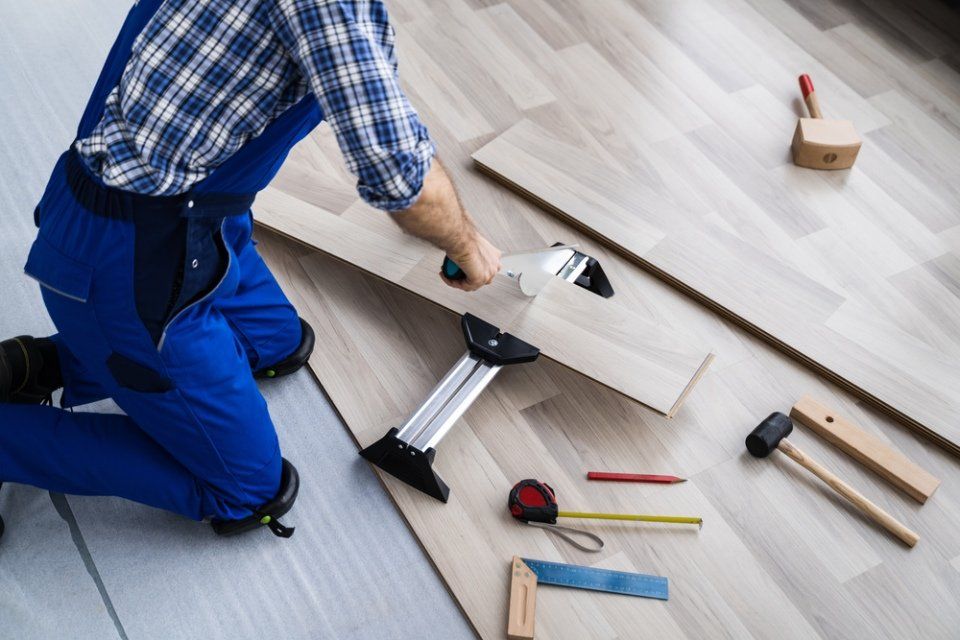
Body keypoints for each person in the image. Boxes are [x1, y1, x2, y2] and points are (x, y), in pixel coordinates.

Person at [0, 0, 500, 540]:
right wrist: (467, 243)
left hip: (201, 207)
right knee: (249, 491)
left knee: (276, 341)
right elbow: (398, 176)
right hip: (130, 252)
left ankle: (42, 364)